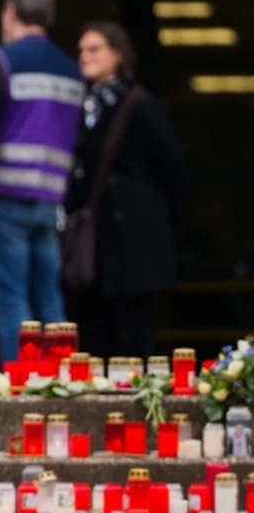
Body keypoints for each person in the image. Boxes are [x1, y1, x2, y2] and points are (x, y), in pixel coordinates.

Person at [0, 0, 84, 362]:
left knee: (11, 299)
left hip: (2, 198)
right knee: (49, 299)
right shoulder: (72, 70)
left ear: (10, 12)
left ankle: (23, 384)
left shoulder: (1, 59)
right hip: (49, 201)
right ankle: (61, 381)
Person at [66, 21, 185, 358]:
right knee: (93, 338)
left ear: (118, 54)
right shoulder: (81, 108)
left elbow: (173, 171)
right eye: (81, 50)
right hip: (94, 249)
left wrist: (155, 225)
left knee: (133, 337)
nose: (85, 56)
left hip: (133, 246)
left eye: (94, 49)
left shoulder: (140, 105)